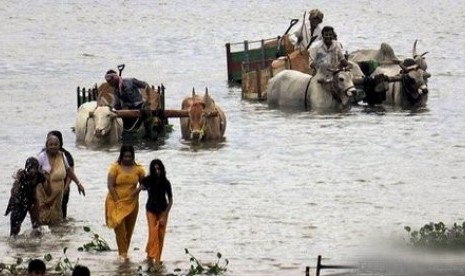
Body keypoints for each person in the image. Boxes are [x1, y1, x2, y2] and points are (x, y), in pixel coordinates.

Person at [105, 144, 145, 261]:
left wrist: (138, 190)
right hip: (115, 202)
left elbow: (145, 184)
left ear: (133, 156)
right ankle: (122, 255)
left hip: (132, 204)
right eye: (125, 156)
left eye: (129, 156)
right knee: (120, 230)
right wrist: (118, 201)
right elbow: (110, 186)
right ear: (121, 156)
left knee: (128, 231)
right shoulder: (115, 168)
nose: (127, 159)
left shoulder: (139, 169)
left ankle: (124, 256)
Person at [36, 134, 85, 226]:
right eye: (51, 144)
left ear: (59, 146)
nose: (53, 146)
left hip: (58, 193)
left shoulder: (62, 156)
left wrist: (78, 184)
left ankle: (57, 239)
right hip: (43, 193)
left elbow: (69, 170)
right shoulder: (41, 157)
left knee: (57, 218)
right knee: (42, 217)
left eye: (55, 144)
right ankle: (41, 239)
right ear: (47, 146)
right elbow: (34, 172)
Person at [139, 159, 173, 265]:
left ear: (162, 169)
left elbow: (171, 200)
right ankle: (150, 256)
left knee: (161, 235)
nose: (157, 171)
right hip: (150, 209)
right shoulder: (148, 180)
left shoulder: (166, 182)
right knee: (153, 232)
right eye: (154, 169)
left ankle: (157, 259)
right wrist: (127, 197)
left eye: (159, 169)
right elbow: (139, 189)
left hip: (163, 210)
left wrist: (164, 215)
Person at [104, 69, 154, 137]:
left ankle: (149, 132)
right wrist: (113, 110)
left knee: (147, 110)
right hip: (127, 107)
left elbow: (146, 85)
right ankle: (123, 131)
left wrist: (148, 99)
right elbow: (117, 104)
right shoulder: (116, 90)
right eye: (107, 82)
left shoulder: (130, 81)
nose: (109, 83)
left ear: (114, 78)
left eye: (109, 82)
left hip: (139, 104)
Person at [4, 157, 46, 237]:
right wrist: (12, 204)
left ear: (38, 169)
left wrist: (46, 201)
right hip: (19, 201)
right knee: (15, 229)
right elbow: (13, 190)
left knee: (36, 225)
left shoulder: (40, 176)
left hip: (32, 200)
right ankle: (13, 244)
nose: (32, 171)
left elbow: (47, 190)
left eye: (35, 169)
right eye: (30, 168)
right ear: (26, 168)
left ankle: (38, 244)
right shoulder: (21, 175)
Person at [47, 130, 74, 219]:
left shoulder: (65, 155)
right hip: (48, 189)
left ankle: (61, 231)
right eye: (49, 140)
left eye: (55, 142)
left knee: (61, 214)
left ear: (59, 141)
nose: (52, 145)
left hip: (63, 188)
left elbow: (70, 172)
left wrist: (66, 187)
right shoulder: (43, 155)